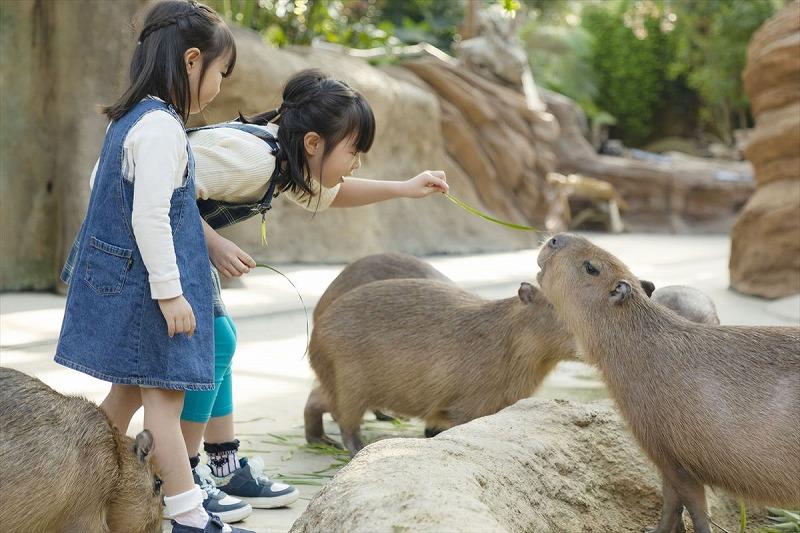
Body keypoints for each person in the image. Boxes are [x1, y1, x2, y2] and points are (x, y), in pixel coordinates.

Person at [55, 2, 252, 532]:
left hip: (125, 282)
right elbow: (148, 216)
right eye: (220, 72)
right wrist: (170, 292)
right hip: (151, 292)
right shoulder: (163, 128)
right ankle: (188, 515)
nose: (218, 87)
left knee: (122, 397)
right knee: (163, 401)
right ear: (193, 61)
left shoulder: (130, 119)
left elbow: (103, 188)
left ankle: (69, 490)